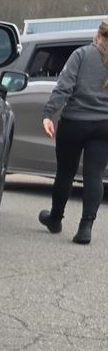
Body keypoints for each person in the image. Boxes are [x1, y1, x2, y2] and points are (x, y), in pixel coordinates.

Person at [39, 18, 108, 245]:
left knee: (65, 172)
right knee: (94, 175)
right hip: (104, 126)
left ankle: (55, 219)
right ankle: (85, 227)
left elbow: (64, 86)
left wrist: (49, 113)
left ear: (97, 34)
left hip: (74, 122)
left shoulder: (81, 54)